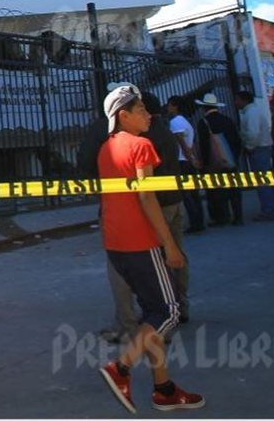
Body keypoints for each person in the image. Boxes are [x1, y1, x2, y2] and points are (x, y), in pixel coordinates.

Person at [96, 85, 204, 413]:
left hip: (115, 243)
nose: (148, 114)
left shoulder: (106, 147)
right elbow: (146, 196)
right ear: (123, 116)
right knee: (168, 311)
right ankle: (121, 367)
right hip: (140, 242)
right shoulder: (142, 145)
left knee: (152, 314)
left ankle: (164, 388)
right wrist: (170, 244)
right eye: (141, 109)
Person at [195, 93, 244, 226]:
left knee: (217, 191)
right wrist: (234, 156)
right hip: (230, 159)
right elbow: (237, 140)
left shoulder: (203, 122)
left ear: (204, 107)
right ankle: (238, 216)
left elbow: (204, 145)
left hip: (214, 163)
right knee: (234, 190)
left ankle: (222, 217)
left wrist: (204, 164)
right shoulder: (227, 120)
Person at [236, 91, 274, 221]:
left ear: (244, 100)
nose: (236, 102)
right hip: (261, 147)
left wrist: (249, 147)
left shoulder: (251, 113)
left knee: (263, 181)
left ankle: (269, 210)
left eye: (237, 99)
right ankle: (271, 208)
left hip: (258, 148)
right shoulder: (252, 111)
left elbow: (253, 134)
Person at [167, 96, 205, 234]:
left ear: (175, 106)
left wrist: (190, 157)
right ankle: (199, 220)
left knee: (187, 195)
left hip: (182, 160)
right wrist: (194, 158)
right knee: (193, 193)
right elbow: (192, 143)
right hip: (188, 160)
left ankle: (195, 222)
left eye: (170, 105)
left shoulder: (175, 122)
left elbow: (182, 143)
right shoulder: (186, 122)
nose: (168, 108)